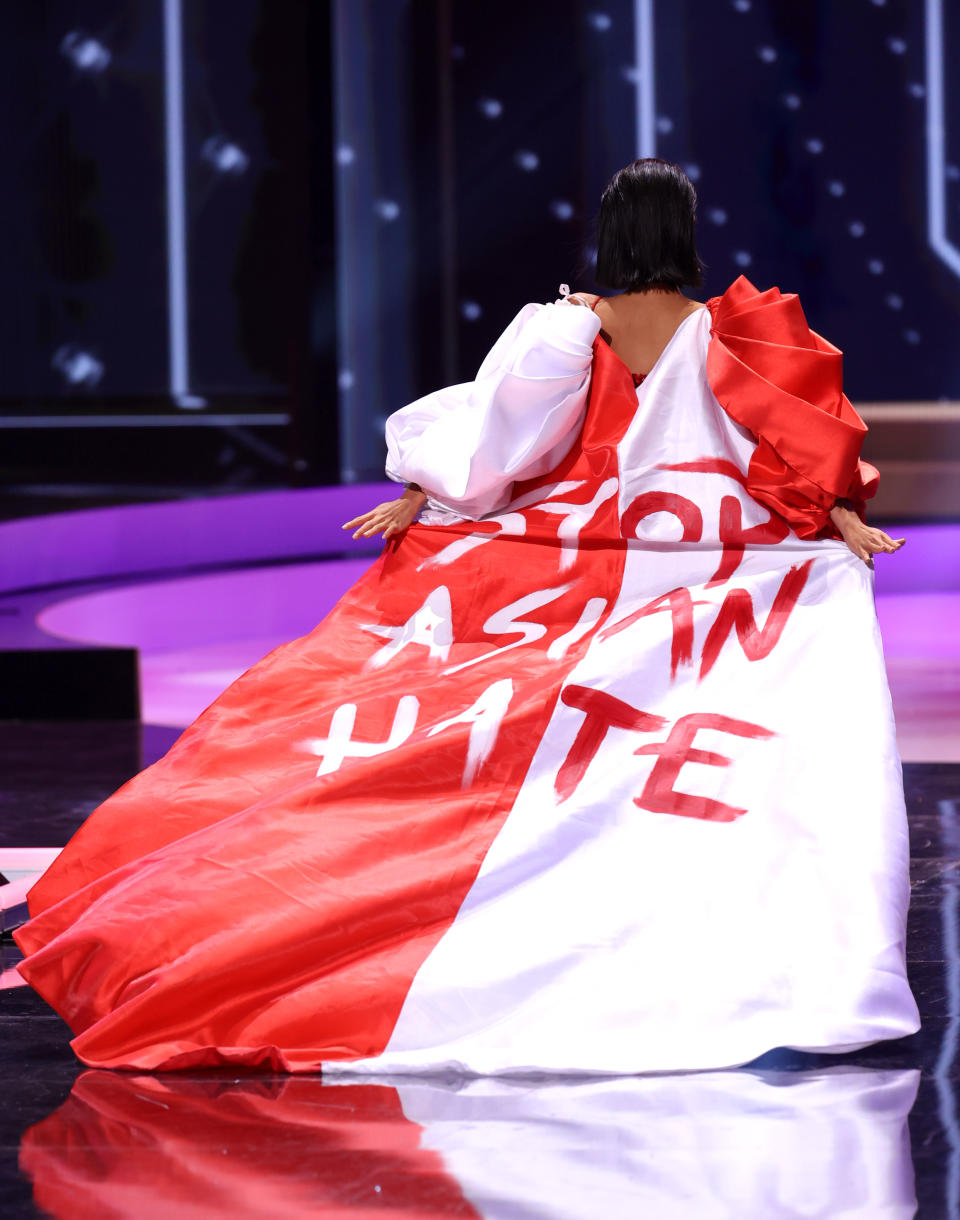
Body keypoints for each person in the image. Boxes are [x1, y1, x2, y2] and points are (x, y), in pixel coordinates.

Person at [15, 159, 920, 1074]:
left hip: (571, 551)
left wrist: (422, 490)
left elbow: (494, 444)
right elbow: (796, 444)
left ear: (614, 234)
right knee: (684, 724)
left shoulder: (567, 329)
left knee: (552, 723)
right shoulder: (739, 332)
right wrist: (839, 519)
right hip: (701, 553)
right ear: (683, 234)